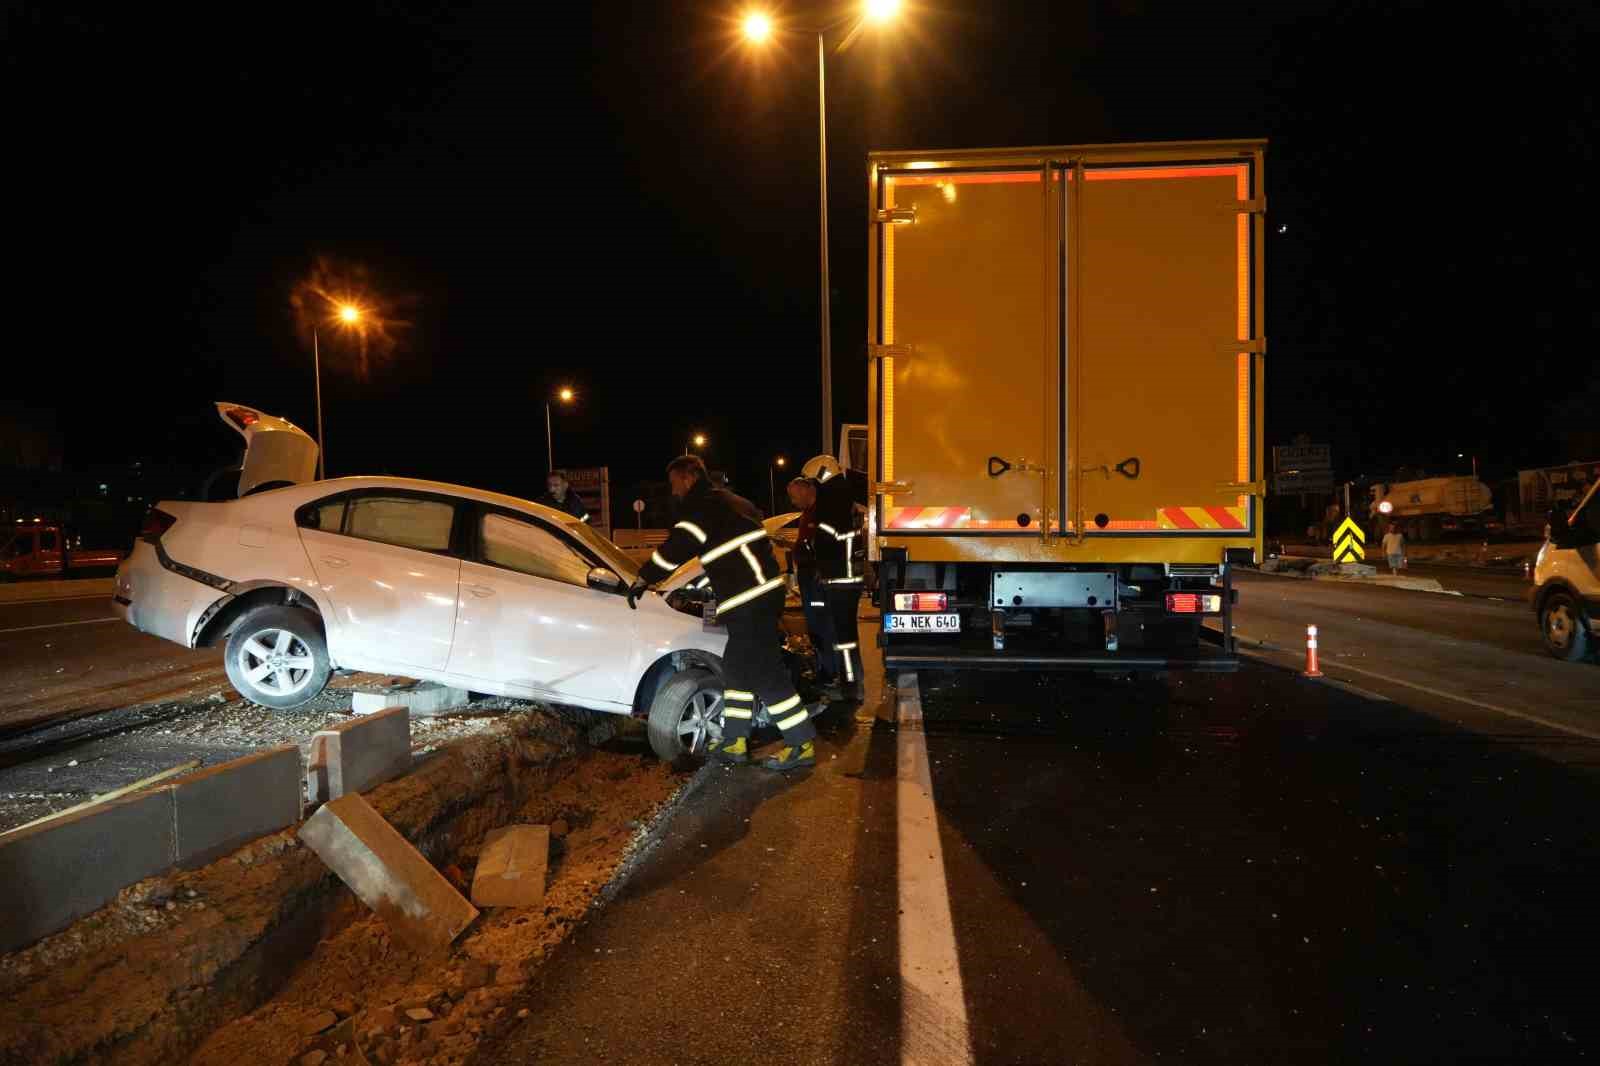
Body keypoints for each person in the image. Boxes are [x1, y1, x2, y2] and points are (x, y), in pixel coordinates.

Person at [633, 455, 818, 771]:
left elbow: (677, 548)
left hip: (750, 601)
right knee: (735, 669)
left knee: (765, 672)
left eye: (675, 482)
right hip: (757, 596)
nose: (674, 491)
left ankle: (801, 743)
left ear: (690, 477)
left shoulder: (702, 507)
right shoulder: (731, 504)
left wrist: (644, 577)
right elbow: (725, 556)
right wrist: (698, 588)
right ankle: (735, 739)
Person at [804, 454, 865, 702]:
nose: (812, 486)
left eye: (812, 481)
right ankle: (852, 680)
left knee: (844, 637)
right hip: (846, 575)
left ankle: (849, 686)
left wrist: (814, 547)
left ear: (821, 473)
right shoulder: (844, 494)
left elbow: (829, 536)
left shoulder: (833, 499)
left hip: (841, 577)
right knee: (847, 634)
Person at [786, 476, 838, 696]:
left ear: (808, 489)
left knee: (822, 626)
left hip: (817, 580)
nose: (793, 502)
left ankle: (830, 673)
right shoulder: (809, 513)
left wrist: (820, 570)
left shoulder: (821, 512)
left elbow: (826, 546)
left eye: (794, 496)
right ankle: (825, 670)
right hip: (810, 578)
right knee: (817, 625)